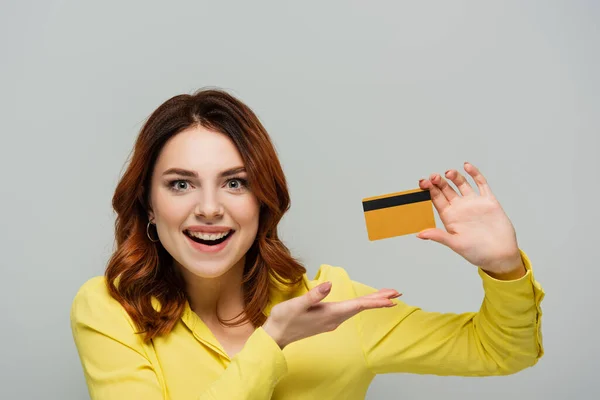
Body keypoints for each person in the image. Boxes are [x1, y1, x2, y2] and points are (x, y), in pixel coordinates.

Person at [70, 89, 545, 400]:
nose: (209, 208)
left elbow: (503, 351)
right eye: (180, 185)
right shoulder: (109, 311)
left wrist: (505, 269)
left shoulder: (337, 305)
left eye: (235, 183)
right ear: (148, 206)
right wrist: (271, 343)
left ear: (263, 201)